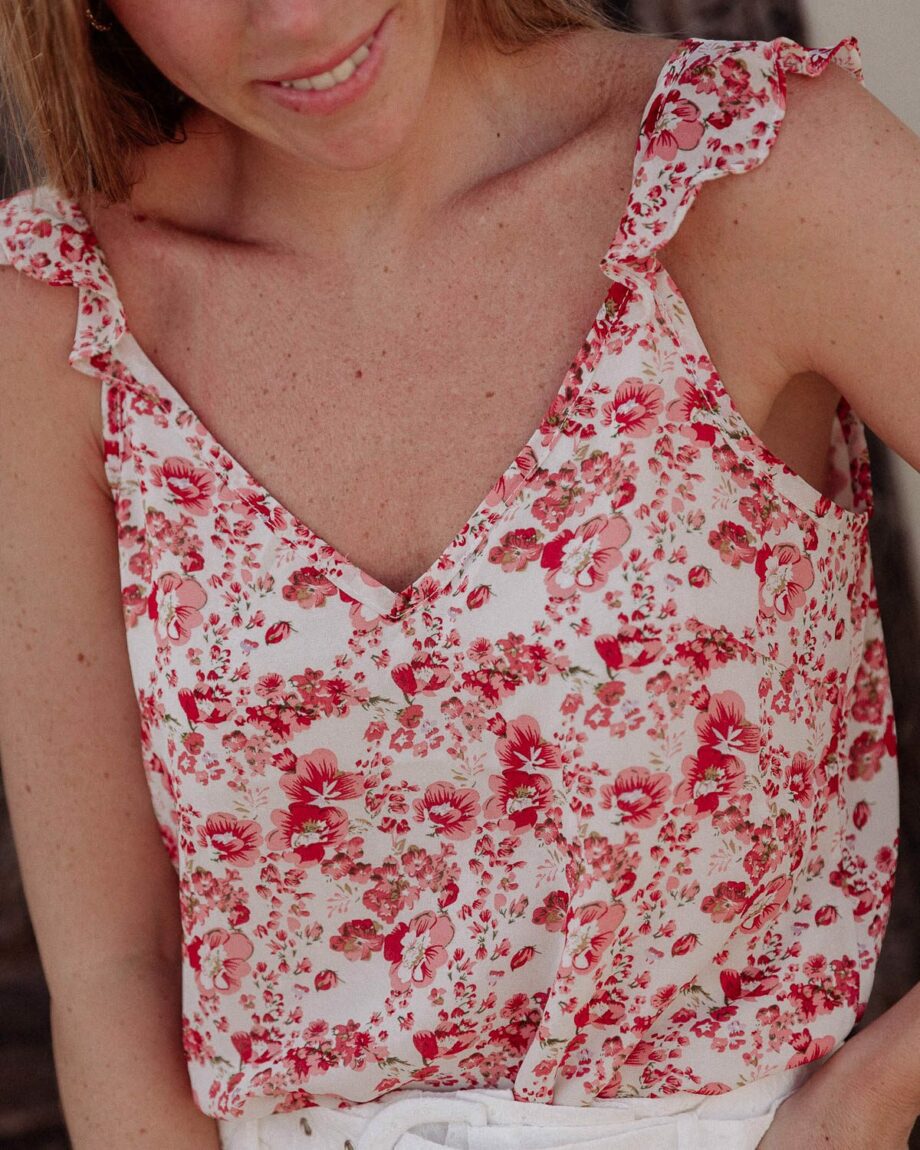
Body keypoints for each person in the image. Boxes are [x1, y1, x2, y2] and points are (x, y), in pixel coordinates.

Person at [0, 1, 918, 1148]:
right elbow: (112, 976)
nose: (296, 16)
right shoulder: (61, 311)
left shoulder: (745, 167)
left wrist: (869, 1103)